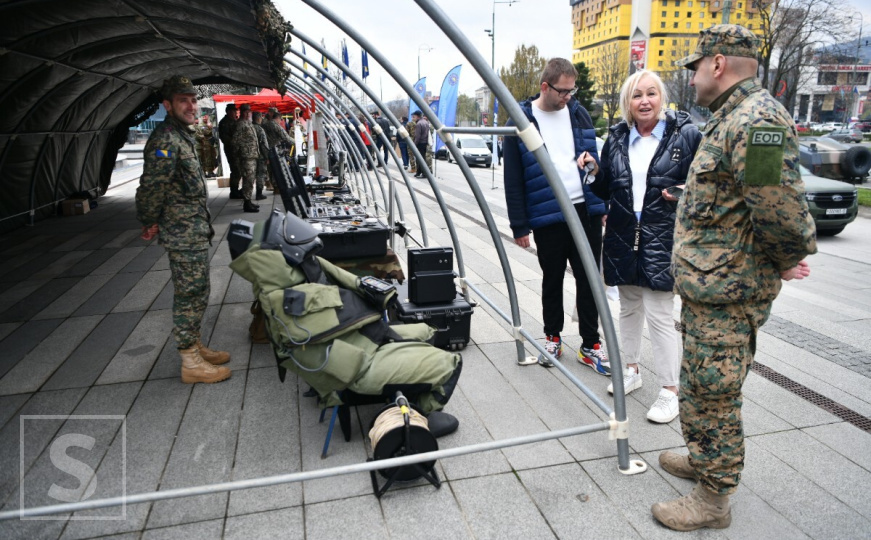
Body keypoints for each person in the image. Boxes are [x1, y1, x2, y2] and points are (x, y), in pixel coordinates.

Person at [651, 25, 816, 531]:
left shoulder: (757, 119)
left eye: (697, 66)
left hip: (730, 289)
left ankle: (714, 500)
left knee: (714, 392)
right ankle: (705, 461)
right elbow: (738, 195)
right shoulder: (731, 117)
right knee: (700, 384)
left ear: (717, 64)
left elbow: (778, 205)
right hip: (711, 285)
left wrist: (789, 255)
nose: (694, 76)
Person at [590, 69, 701, 424]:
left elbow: (706, 183)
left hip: (663, 235)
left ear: (661, 98)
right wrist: (593, 170)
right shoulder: (618, 138)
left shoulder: (685, 136)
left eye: (651, 93)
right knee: (628, 308)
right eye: (637, 95)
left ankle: (671, 390)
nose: (645, 101)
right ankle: (631, 370)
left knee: (660, 315)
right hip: (624, 233)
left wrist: (683, 195)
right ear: (628, 102)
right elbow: (606, 187)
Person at [502, 57, 609, 373]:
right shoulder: (521, 121)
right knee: (552, 278)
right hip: (549, 214)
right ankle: (553, 336)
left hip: (585, 210)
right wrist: (519, 224)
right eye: (563, 91)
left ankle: (590, 344)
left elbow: (594, 161)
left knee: (590, 279)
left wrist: (600, 202)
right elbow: (513, 178)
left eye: (572, 91)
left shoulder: (578, 113)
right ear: (545, 87)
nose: (568, 97)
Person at [134, 75, 231, 385]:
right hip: (181, 231)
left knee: (199, 289)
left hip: (193, 227)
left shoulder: (182, 134)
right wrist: (148, 219)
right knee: (189, 291)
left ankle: (196, 344)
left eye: (192, 99)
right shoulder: (164, 140)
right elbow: (152, 187)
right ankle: (190, 359)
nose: (190, 105)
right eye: (182, 100)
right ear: (167, 105)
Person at [231, 104, 261, 212]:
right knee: (248, 180)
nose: (249, 113)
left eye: (249, 111)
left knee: (250, 179)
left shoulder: (248, 123)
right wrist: (238, 155)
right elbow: (234, 141)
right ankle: (247, 204)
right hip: (246, 157)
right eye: (247, 111)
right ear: (244, 112)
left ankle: (248, 201)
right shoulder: (241, 124)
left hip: (251, 156)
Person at [217, 103, 241, 199]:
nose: (235, 112)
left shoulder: (233, 121)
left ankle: (235, 190)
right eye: (234, 111)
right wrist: (235, 143)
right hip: (231, 149)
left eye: (235, 111)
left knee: (237, 170)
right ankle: (234, 192)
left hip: (236, 149)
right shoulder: (225, 122)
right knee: (235, 170)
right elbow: (225, 138)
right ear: (229, 112)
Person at [251, 111, 270, 200]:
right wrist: (267, 156)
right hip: (261, 156)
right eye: (261, 117)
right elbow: (264, 145)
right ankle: (259, 193)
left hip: (251, 155)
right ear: (258, 118)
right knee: (261, 174)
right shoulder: (260, 129)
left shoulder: (250, 127)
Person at [411, 111, 429, 178]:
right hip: (425, 142)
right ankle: (420, 172)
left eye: (414, 117)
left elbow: (417, 136)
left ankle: (422, 172)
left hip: (420, 143)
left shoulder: (418, 124)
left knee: (419, 159)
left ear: (417, 116)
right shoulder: (425, 122)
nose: (413, 118)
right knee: (423, 158)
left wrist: (414, 144)